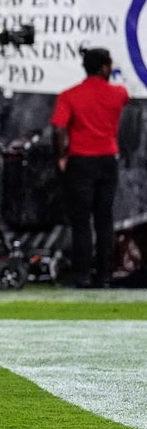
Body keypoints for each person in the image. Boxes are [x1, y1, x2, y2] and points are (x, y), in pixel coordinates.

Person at [51, 47, 130, 288]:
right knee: (104, 220)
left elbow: (58, 129)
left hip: (81, 161)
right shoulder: (119, 93)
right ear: (105, 67)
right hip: (107, 159)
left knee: (81, 221)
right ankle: (104, 275)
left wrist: (61, 156)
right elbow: (122, 99)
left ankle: (82, 273)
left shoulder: (70, 95)